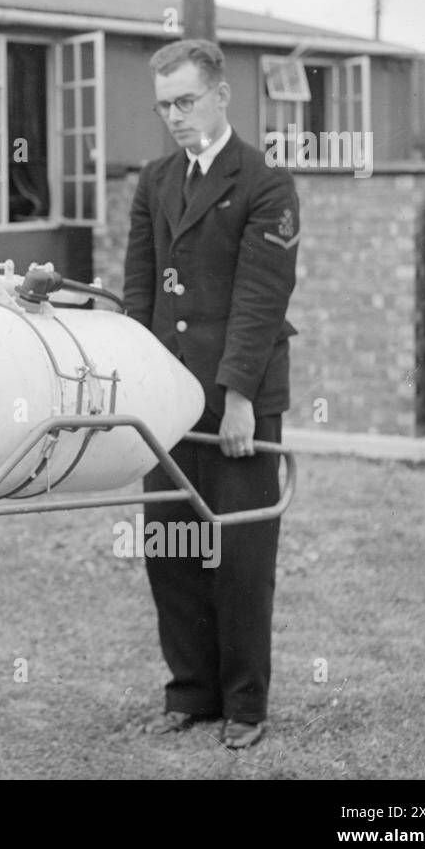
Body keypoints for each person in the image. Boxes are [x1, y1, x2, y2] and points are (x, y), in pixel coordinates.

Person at [123, 38, 299, 750]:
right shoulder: (156, 181)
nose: (175, 116)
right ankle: (190, 690)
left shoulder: (265, 184)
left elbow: (260, 298)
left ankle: (244, 705)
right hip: (166, 400)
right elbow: (140, 289)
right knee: (170, 545)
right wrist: (136, 380)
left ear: (221, 96)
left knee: (240, 556)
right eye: (164, 105)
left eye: (186, 100)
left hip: (237, 399)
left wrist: (237, 398)